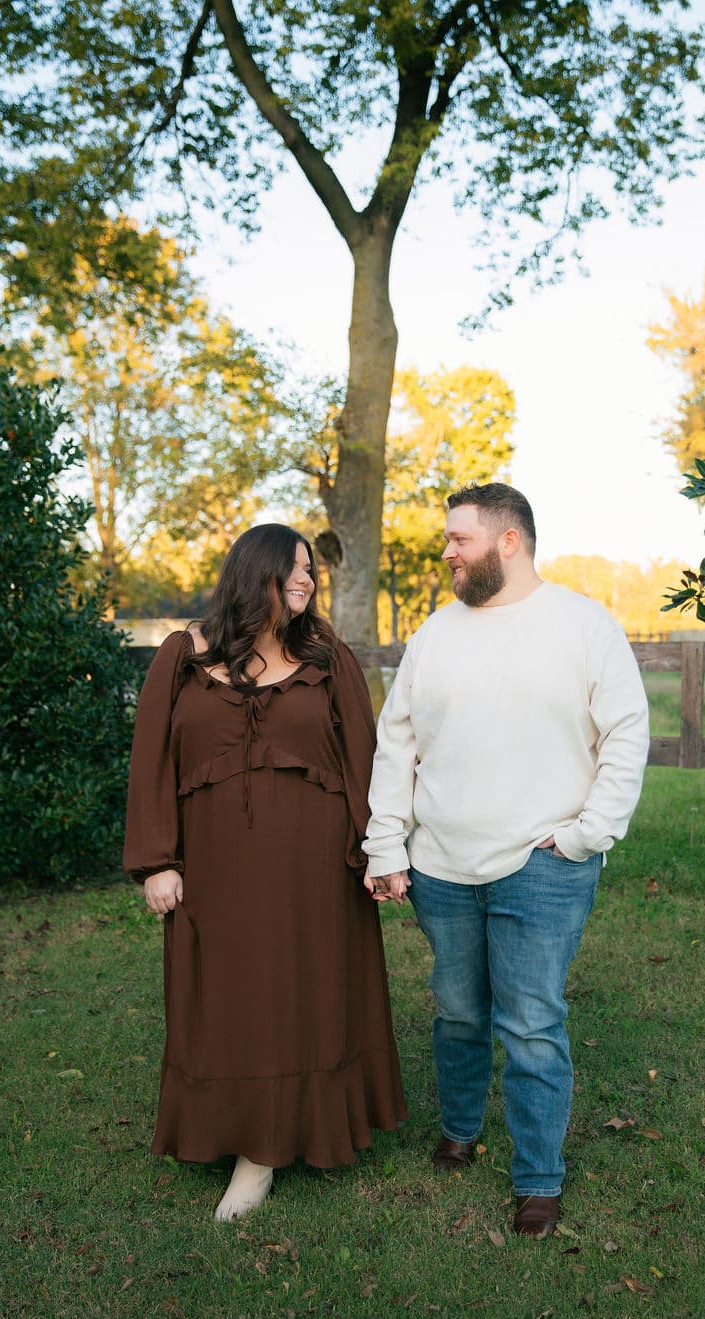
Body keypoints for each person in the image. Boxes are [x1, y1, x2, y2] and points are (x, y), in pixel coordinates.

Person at [362, 483, 649, 1238]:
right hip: (440, 866)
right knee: (458, 1010)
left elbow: (626, 735)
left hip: (543, 863)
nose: (446, 552)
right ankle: (459, 1129)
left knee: (530, 1024)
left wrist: (588, 834)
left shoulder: (583, 627)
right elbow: (397, 743)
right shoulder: (435, 635)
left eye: (459, 539)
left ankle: (538, 1180)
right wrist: (386, 842)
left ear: (509, 540)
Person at [123, 524, 407, 1222]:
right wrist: (157, 861)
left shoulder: (326, 656)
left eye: (310, 569)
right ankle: (233, 1127)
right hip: (215, 868)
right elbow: (151, 761)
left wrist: (379, 852)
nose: (307, 579)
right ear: (255, 574)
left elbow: (363, 756)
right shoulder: (183, 655)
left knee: (305, 992)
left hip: (316, 868)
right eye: (293, 568)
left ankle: (270, 1152)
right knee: (225, 997)